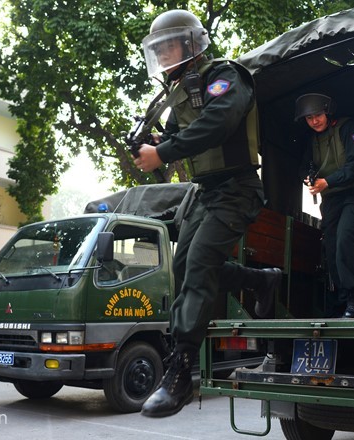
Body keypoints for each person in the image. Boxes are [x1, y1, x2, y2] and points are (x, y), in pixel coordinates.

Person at [133, 10, 282, 418]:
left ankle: (180, 370)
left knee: (199, 264)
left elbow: (219, 121)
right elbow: (186, 136)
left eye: (169, 45)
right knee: (186, 266)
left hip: (237, 187)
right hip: (206, 191)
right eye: (158, 48)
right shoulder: (181, 90)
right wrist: (159, 140)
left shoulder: (226, 75)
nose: (163, 53)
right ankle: (261, 281)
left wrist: (163, 151)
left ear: (191, 43)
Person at [296, 93, 354, 318]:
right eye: (309, 118)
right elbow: (303, 167)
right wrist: (308, 179)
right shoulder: (311, 139)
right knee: (331, 245)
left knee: (346, 239)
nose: (314, 121)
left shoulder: (348, 127)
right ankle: (341, 300)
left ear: (327, 112)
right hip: (331, 200)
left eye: (318, 115)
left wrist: (327, 181)